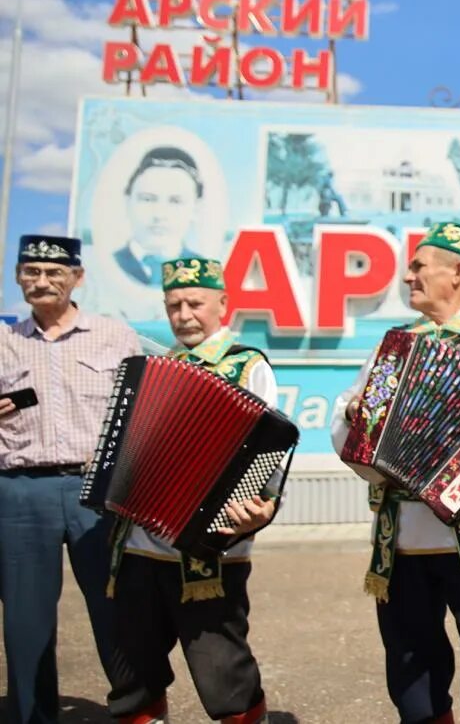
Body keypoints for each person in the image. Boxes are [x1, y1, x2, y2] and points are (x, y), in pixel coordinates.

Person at [332, 222, 460, 724]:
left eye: (419, 266)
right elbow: (351, 434)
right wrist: (356, 419)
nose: (407, 276)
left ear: (457, 273)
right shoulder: (395, 346)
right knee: (412, 673)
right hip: (399, 540)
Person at [104, 257, 280, 724]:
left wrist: (258, 508)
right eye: (174, 304)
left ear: (223, 303)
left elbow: (269, 452)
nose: (183, 314)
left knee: (223, 673)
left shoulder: (247, 366)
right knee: (133, 673)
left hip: (208, 552)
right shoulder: (155, 369)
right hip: (139, 546)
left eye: (195, 303)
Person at [0, 234, 139, 724]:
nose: (42, 282)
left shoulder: (114, 336)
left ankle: (136, 709)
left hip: (95, 491)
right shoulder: (3, 340)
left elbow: (141, 410)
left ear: (77, 278)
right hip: (20, 492)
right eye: (31, 272)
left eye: (54, 273)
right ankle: (30, 716)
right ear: (18, 276)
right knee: (24, 619)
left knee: (116, 609)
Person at [114, 147, 202, 286]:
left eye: (175, 201)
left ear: (196, 209)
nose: (159, 215)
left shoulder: (204, 271)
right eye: (148, 199)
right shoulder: (111, 264)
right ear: (127, 202)